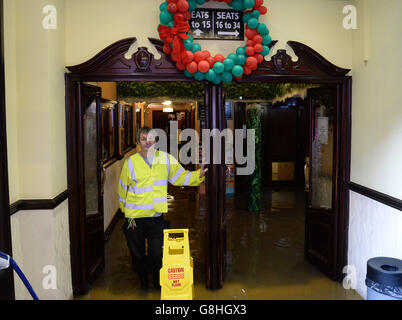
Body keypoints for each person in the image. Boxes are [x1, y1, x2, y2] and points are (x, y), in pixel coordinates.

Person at [118, 126, 207, 289]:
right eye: (143, 139)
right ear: (138, 142)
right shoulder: (130, 163)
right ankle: (143, 282)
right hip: (133, 218)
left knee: (156, 253)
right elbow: (122, 189)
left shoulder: (166, 159)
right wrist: (125, 213)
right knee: (137, 254)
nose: (147, 142)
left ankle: (158, 281)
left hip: (156, 217)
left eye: (150, 138)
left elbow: (180, 177)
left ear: (156, 141)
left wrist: (198, 175)